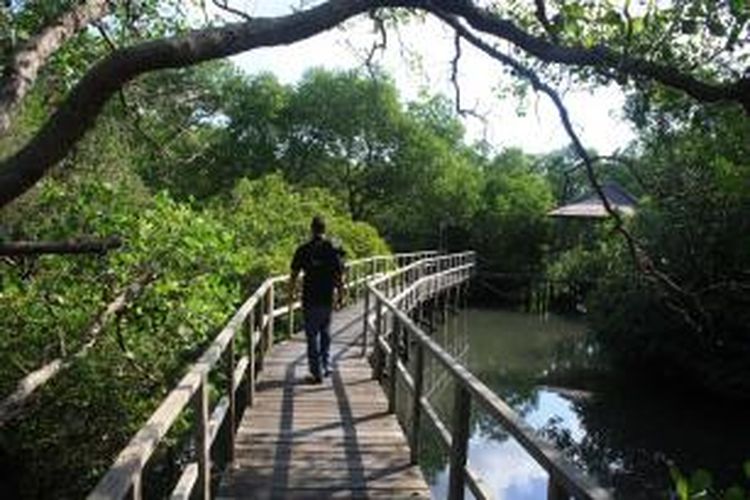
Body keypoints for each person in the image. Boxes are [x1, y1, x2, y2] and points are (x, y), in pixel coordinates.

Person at [289, 216, 345, 384]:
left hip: (309, 298)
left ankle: (316, 372)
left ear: (311, 229)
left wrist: (291, 294)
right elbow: (339, 275)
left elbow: (293, 274)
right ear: (324, 229)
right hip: (327, 297)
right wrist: (341, 295)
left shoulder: (303, 249)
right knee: (325, 333)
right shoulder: (332, 249)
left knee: (312, 336)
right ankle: (325, 366)